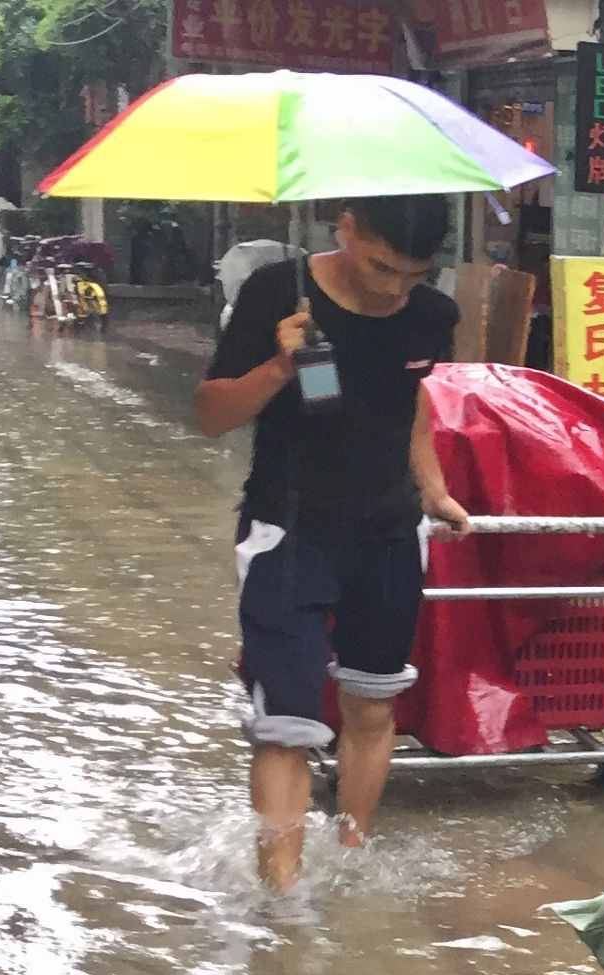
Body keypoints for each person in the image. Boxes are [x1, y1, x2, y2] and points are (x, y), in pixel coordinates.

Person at [194, 196, 470, 893]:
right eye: (381, 267)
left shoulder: (433, 316)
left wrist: (432, 489)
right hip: (289, 530)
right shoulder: (277, 293)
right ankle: (283, 901)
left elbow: (411, 400)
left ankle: (350, 851)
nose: (394, 289)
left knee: (373, 705)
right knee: (285, 722)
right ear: (345, 229)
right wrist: (282, 367)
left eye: (413, 275)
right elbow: (209, 415)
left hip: (386, 532)